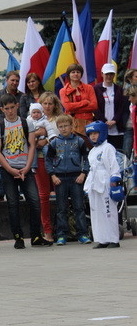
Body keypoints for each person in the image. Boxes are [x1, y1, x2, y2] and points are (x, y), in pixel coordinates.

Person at [0, 94, 52, 249]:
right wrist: (10, 169)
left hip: (25, 168)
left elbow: (32, 145)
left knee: (35, 200)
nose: (10, 111)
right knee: (12, 203)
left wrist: (26, 167)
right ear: (2, 109)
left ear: (17, 106)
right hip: (8, 170)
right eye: (7, 109)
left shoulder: (26, 123)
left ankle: (36, 236)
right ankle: (18, 237)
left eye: (12, 107)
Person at [45, 115, 91, 246]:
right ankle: (61, 235)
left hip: (76, 178)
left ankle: (82, 234)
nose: (63, 129)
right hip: (60, 178)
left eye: (66, 126)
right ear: (57, 128)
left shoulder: (79, 141)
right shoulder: (54, 143)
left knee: (79, 207)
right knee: (61, 209)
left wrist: (83, 173)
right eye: (60, 127)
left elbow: (87, 158)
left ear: (72, 126)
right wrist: (53, 175)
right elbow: (48, 160)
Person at [84, 121, 122, 249]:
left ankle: (113, 239)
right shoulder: (92, 151)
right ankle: (102, 239)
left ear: (102, 133)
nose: (93, 136)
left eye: (95, 133)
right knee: (96, 212)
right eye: (90, 134)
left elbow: (114, 166)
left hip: (106, 182)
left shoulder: (108, 147)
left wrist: (115, 183)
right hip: (95, 184)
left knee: (108, 211)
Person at [0, 71, 21, 202]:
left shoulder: (21, 97)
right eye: (12, 80)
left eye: (17, 81)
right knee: (1, 163)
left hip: (17, 136)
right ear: (7, 80)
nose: (14, 83)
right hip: (1, 135)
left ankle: (15, 192)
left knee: (16, 163)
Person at [27, 102, 57, 242]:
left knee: (61, 196)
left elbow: (55, 136)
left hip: (55, 161)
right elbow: (26, 137)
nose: (47, 106)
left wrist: (47, 138)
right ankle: (47, 231)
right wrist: (39, 133)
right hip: (37, 161)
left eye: (49, 103)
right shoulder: (29, 121)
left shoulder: (57, 120)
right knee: (43, 197)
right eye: (44, 103)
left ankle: (65, 230)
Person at [94, 63, 128, 150]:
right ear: (102, 74)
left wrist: (114, 120)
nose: (109, 76)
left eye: (111, 74)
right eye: (106, 74)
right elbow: (95, 107)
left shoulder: (119, 89)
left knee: (117, 152)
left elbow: (122, 107)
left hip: (116, 128)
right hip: (101, 126)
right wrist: (105, 121)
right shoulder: (96, 89)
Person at [60, 63, 97, 136]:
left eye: (78, 72)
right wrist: (85, 102)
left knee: (88, 145)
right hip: (71, 124)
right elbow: (68, 107)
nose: (76, 74)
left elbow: (94, 106)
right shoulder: (63, 90)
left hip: (88, 122)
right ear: (69, 75)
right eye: (73, 72)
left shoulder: (89, 88)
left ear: (81, 74)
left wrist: (74, 108)